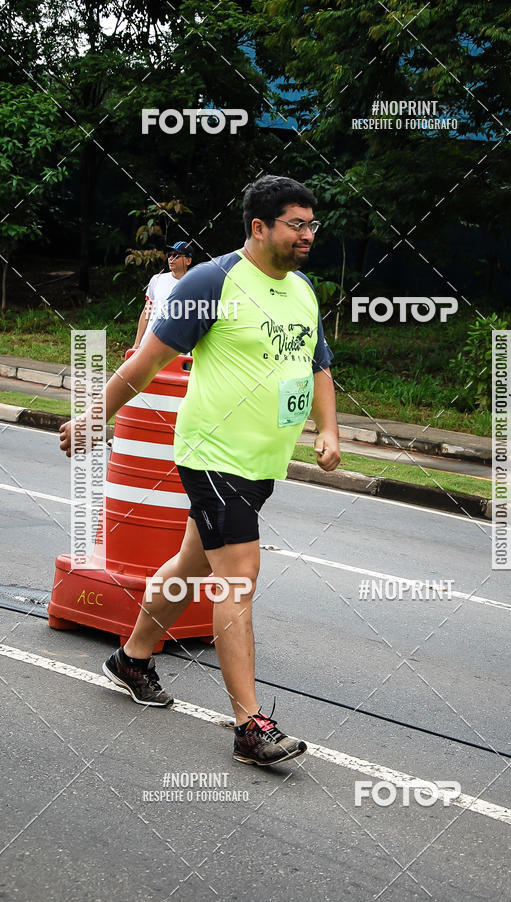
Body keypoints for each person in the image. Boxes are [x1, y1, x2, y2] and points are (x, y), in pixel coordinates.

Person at [59, 174, 340, 766]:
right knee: (238, 578)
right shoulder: (212, 281)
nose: (308, 234)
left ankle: (131, 658)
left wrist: (328, 429)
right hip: (213, 455)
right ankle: (249, 726)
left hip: (262, 462)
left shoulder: (303, 290)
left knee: (190, 565)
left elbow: (317, 365)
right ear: (259, 226)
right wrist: (92, 418)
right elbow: (145, 362)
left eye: (312, 224)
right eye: (297, 224)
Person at [132, 241, 193, 349]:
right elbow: (147, 311)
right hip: (146, 346)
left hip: (175, 349)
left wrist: (184, 349)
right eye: (170, 255)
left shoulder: (195, 285)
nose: (171, 258)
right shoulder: (157, 279)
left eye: (176, 255)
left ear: (188, 260)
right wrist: (137, 343)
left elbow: (193, 322)